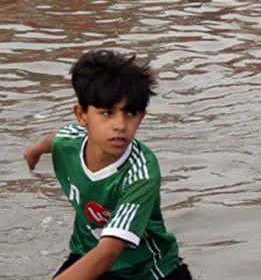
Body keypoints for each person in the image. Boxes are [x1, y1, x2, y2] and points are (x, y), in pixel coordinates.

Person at [23, 50, 192, 280]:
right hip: (86, 253)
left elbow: (109, 251)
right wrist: (33, 152)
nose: (120, 125)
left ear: (140, 117)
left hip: (147, 270)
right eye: (107, 113)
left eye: (129, 113)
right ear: (82, 115)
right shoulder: (69, 140)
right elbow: (53, 140)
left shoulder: (141, 173)